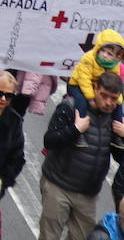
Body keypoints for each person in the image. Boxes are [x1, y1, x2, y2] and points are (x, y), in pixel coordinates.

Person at [39, 71, 124, 240]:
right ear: (94, 88)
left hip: (88, 194)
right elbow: (49, 140)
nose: (108, 103)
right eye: (104, 96)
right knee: (50, 236)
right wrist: (75, 129)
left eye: (114, 99)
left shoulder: (115, 119)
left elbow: (120, 158)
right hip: (58, 186)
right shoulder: (70, 106)